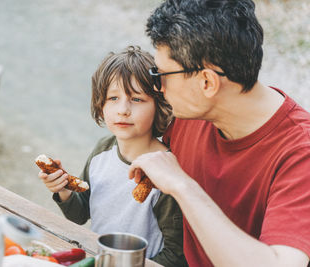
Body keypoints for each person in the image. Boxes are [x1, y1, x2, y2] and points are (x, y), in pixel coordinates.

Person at [128, 1, 310, 266]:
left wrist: (183, 186)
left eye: (161, 76)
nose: (159, 88)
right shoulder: (188, 114)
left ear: (207, 82)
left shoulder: (301, 153)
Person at [39, 46, 187, 266]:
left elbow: (176, 255)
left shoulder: (165, 171)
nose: (123, 110)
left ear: (159, 105)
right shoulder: (102, 152)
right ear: (100, 106)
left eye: (137, 99)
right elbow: (81, 213)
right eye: (113, 98)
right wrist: (63, 190)